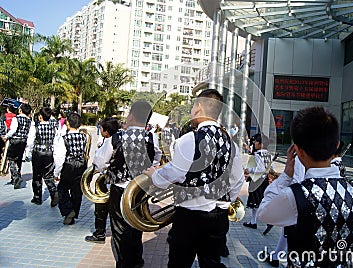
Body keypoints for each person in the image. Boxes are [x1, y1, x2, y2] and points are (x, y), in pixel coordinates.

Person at [143, 89, 244, 268]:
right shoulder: (231, 143)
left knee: (179, 264)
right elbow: (237, 180)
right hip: (218, 217)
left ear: (198, 107)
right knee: (211, 263)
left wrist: (155, 176)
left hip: (190, 216)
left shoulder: (189, 139)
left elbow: (175, 173)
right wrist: (224, 201)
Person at [257, 106, 353, 267]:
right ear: (337, 145)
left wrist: (286, 176)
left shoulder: (297, 195)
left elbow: (264, 213)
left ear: (298, 151)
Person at [107, 100, 158, 268]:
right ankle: (137, 260)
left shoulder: (118, 137)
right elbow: (156, 158)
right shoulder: (151, 137)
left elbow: (101, 160)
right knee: (137, 225)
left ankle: (124, 263)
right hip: (140, 189)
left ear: (131, 116)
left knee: (119, 228)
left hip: (120, 189)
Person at [84, 117, 119, 244]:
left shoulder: (109, 142)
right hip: (116, 180)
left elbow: (101, 162)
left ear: (105, 131)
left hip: (106, 179)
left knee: (101, 207)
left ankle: (99, 234)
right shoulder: (117, 139)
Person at [53, 112, 88, 225]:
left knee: (62, 189)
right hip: (81, 165)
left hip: (69, 165)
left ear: (67, 123)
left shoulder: (64, 138)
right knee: (77, 191)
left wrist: (56, 172)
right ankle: (74, 213)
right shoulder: (84, 137)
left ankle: (68, 210)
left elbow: (61, 157)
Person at [26, 107, 58, 206]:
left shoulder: (35, 126)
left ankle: (37, 197)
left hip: (38, 152)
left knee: (37, 175)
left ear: (40, 116)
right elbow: (56, 142)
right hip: (49, 152)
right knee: (48, 175)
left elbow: (30, 142)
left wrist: (28, 153)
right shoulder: (54, 127)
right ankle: (53, 192)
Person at [243, 133, 273, 231]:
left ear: (261, 144)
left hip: (257, 180)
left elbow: (259, 169)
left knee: (255, 202)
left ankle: (256, 221)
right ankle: (254, 221)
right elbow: (270, 168)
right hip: (264, 181)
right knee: (261, 200)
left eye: (256, 141)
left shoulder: (258, 155)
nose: (255, 143)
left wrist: (249, 170)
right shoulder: (269, 155)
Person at [2, 103, 32, 188]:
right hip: (23, 141)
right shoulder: (29, 120)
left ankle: (16, 177)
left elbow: (13, 130)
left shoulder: (16, 119)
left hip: (15, 140)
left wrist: (6, 136)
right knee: (18, 160)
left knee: (11, 159)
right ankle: (15, 178)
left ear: (20, 110)